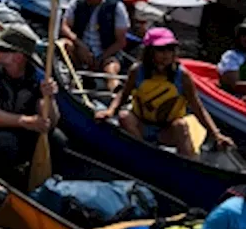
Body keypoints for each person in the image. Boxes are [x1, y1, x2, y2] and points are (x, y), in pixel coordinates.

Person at [95, 27, 233, 158]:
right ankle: (142, 153)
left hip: (167, 130)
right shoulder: (137, 71)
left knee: (181, 125)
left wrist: (216, 134)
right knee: (124, 116)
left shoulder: (182, 76)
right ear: (149, 52)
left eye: (170, 49)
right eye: (160, 50)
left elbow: (197, 107)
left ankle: (189, 163)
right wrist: (110, 111)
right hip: (142, 125)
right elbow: (123, 95)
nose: (166, 54)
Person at [0, 25, 61, 187]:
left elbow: (50, 122)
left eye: (2, 49)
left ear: (18, 57)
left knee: (58, 140)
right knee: (6, 143)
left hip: (21, 132)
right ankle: (6, 186)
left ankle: (45, 185)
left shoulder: (38, 77)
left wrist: (50, 99)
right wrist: (25, 121)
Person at [61, 0, 129, 88]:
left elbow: (121, 42)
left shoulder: (116, 7)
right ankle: (76, 77)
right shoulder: (77, 2)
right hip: (81, 50)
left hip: (106, 52)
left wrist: (100, 58)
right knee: (65, 45)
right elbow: (65, 27)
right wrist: (80, 44)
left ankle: (114, 90)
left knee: (111, 68)